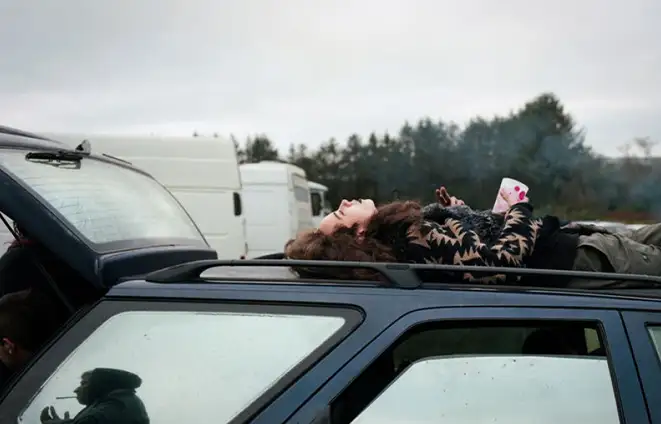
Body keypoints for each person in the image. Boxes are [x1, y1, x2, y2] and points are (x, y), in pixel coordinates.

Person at [285, 187, 661, 287]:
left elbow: (470, 251)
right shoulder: (408, 241)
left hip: (575, 239)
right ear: (359, 232)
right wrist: (519, 208)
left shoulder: (404, 237)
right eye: (340, 212)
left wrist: (460, 215)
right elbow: (497, 263)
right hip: (580, 255)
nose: (346, 201)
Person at [40, 368, 150, 424]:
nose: (76, 390)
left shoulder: (119, 403)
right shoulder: (118, 401)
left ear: (99, 384)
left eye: (84, 383)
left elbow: (91, 422)